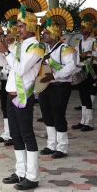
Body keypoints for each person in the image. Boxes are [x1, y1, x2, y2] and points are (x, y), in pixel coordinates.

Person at [0, 0, 48, 191]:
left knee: (27, 135)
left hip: (23, 95)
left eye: (20, 26)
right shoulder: (19, 46)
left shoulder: (36, 47)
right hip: (11, 94)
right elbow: (5, 65)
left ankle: (33, 176)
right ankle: (20, 171)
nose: (16, 29)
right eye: (16, 26)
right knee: (16, 136)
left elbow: (20, 69)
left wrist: (7, 51)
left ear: (30, 26)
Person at [38, 9, 77, 159]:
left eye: (47, 33)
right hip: (45, 86)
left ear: (54, 34)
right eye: (44, 33)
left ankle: (62, 147)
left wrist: (54, 75)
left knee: (58, 115)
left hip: (60, 86)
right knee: (47, 116)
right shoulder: (44, 50)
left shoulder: (65, 49)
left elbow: (71, 67)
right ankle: (51, 144)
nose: (44, 35)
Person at [72, 8, 97, 132]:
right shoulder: (78, 41)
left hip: (92, 68)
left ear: (89, 29)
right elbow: (76, 54)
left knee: (87, 95)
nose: (81, 29)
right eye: (81, 27)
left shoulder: (95, 42)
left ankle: (90, 123)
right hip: (81, 68)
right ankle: (83, 121)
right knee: (82, 95)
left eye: (83, 27)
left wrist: (90, 53)